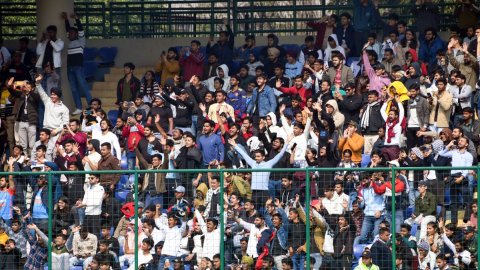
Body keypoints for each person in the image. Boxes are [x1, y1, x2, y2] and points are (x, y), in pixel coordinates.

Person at [62, 12, 91, 115]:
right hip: (69, 68)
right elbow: (67, 29)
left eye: (72, 33)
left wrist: (77, 20)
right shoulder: (69, 41)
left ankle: (91, 107)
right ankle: (78, 107)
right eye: (69, 33)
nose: (69, 34)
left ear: (76, 34)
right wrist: (66, 19)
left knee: (83, 86)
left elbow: (81, 30)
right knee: (74, 89)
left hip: (78, 67)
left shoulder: (81, 41)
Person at [34, 75, 69, 141]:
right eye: (51, 94)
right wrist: (38, 83)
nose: (52, 96)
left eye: (54, 95)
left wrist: (56, 130)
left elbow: (65, 123)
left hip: (56, 132)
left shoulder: (64, 108)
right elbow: (42, 92)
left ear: (58, 96)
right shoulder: (48, 101)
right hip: (45, 130)